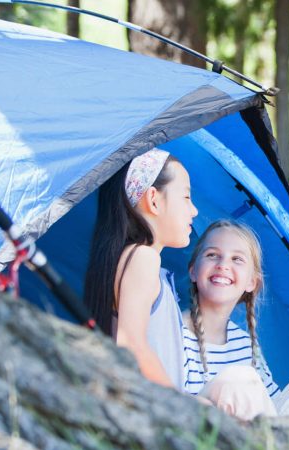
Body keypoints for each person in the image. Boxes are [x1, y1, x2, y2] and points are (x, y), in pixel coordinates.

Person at [84, 148, 197, 390]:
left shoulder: (130, 259)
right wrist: (183, 404)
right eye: (186, 197)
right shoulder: (143, 258)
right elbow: (131, 344)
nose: (194, 210)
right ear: (154, 199)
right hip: (160, 407)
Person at [182, 219, 278, 420]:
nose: (223, 265)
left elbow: (273, 403)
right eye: (212, 255)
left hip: (256, 431)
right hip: (199, 433)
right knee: (239, 378)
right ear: (193, 271)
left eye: (237, 259)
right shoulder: (174, 330)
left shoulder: (245, 344)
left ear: (252, 282)